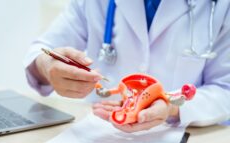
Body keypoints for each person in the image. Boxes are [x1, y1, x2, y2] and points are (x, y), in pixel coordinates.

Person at [24, 0, 230, 133]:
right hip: (100, 134)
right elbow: (43, 50)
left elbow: (225, 89)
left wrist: (172, 108)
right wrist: (48, 66)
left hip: (183, 140)